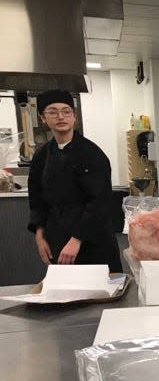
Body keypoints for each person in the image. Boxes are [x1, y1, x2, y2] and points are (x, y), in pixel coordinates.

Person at [27, 89, 122, 271]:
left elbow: (99, 201)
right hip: (58, 238)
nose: (60, 116)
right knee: (65, 293)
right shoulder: (41, 156)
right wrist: (40, 236)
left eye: (66, 111)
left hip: (92, 240)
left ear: (74, 117)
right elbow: (37, 199)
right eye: (53, 112)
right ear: (43, 118)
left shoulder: (92, 154)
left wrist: (77, 239)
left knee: (98, 293)